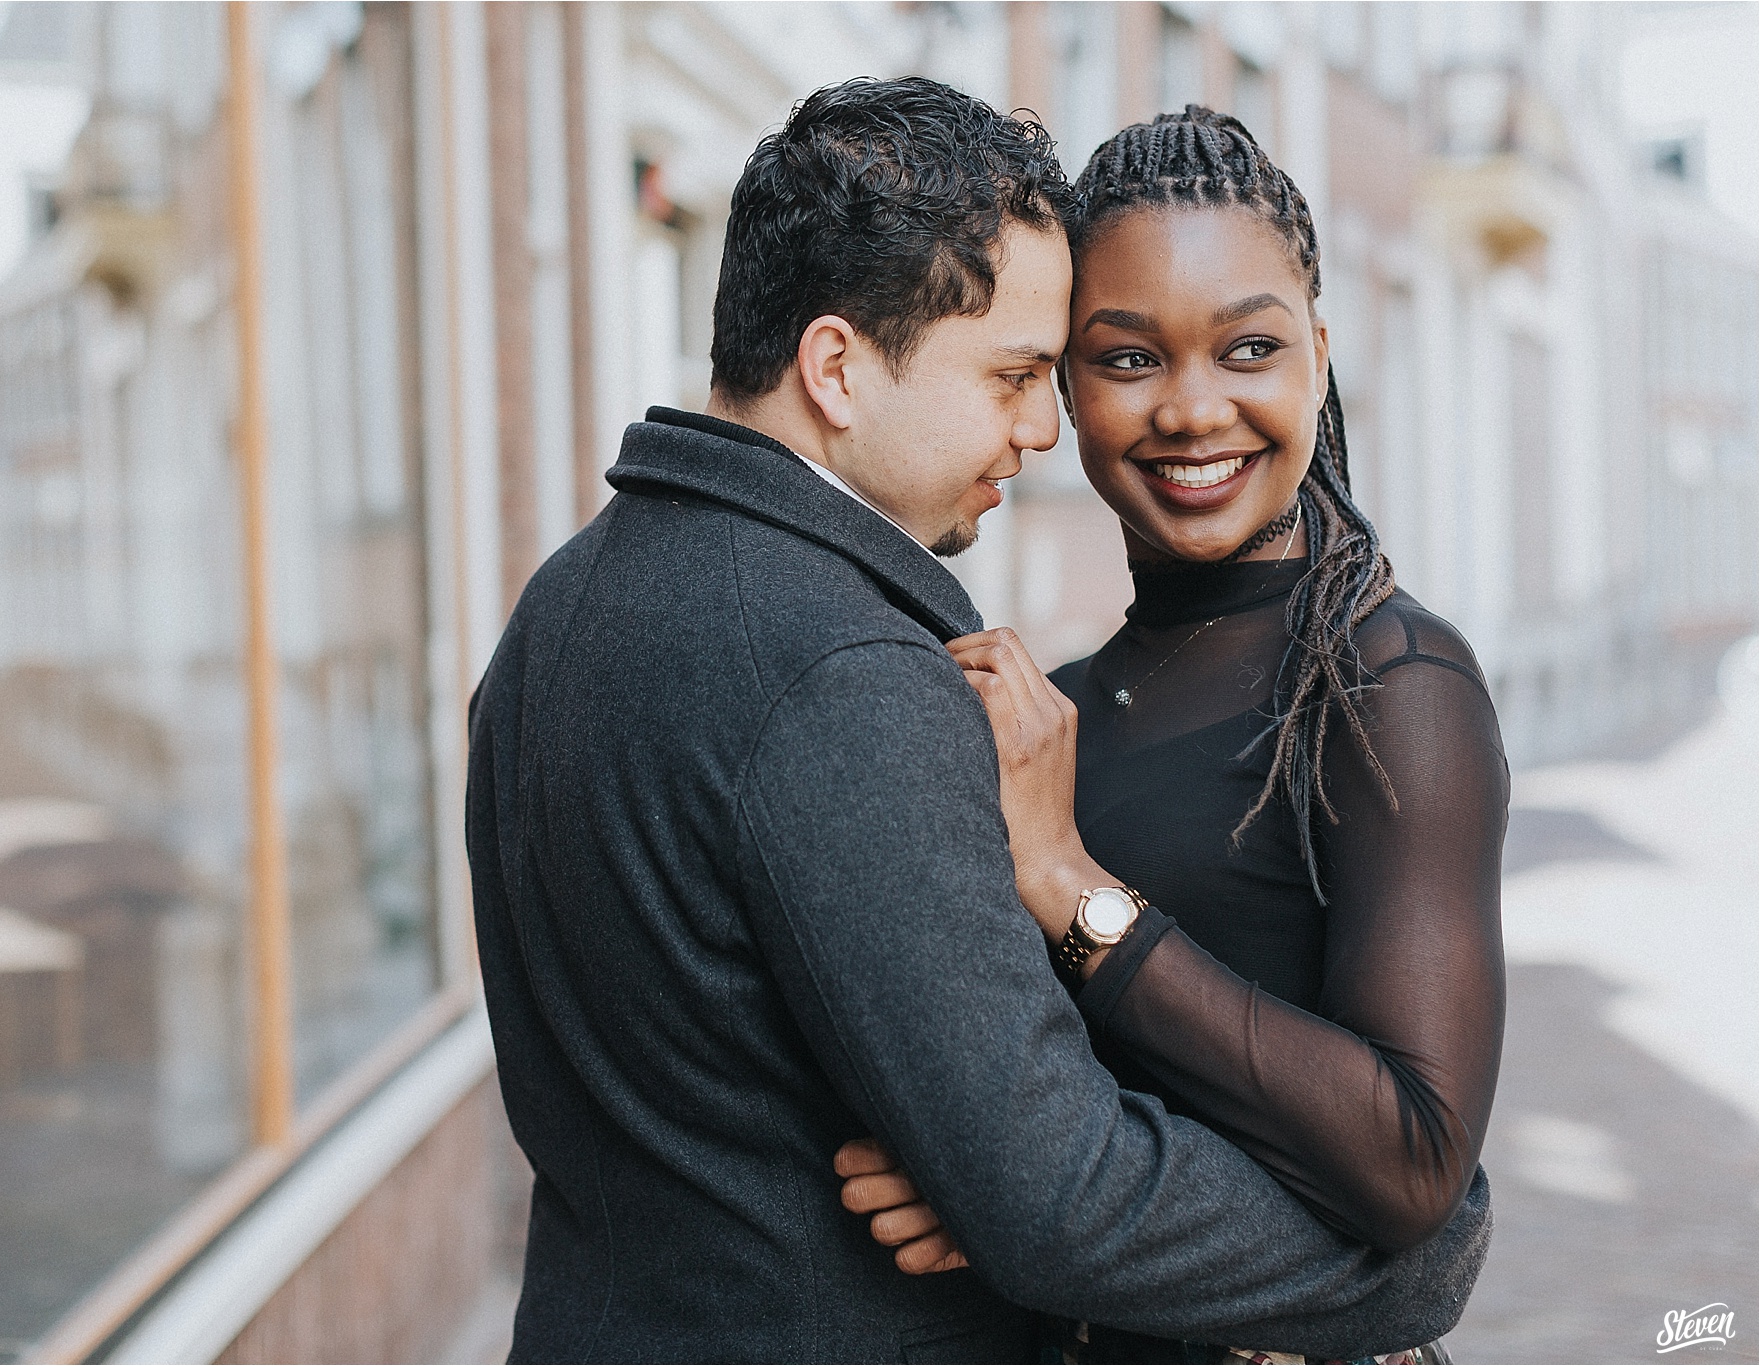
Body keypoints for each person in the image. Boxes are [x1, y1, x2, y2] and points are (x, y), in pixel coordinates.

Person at [467, 79, 1489, 1364]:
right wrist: (1400, 1272)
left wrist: (991, 1176)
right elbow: (1054, 1191)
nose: (1040, 426)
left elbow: (1002, 1144)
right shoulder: (850, 672)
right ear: (834, 365)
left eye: (1246, 346)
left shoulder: (553, 612)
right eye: (1029, 371)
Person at [835, 108, 1507, 1365]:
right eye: (1128, 360)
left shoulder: (1387, 682)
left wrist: (1073, 889)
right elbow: (1044, 1104)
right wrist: (997, 1187)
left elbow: (1410, 1161)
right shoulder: (1058, 710)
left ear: (1314, 352)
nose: (1193, 412)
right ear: (1061, 389)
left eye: (1246, 348)